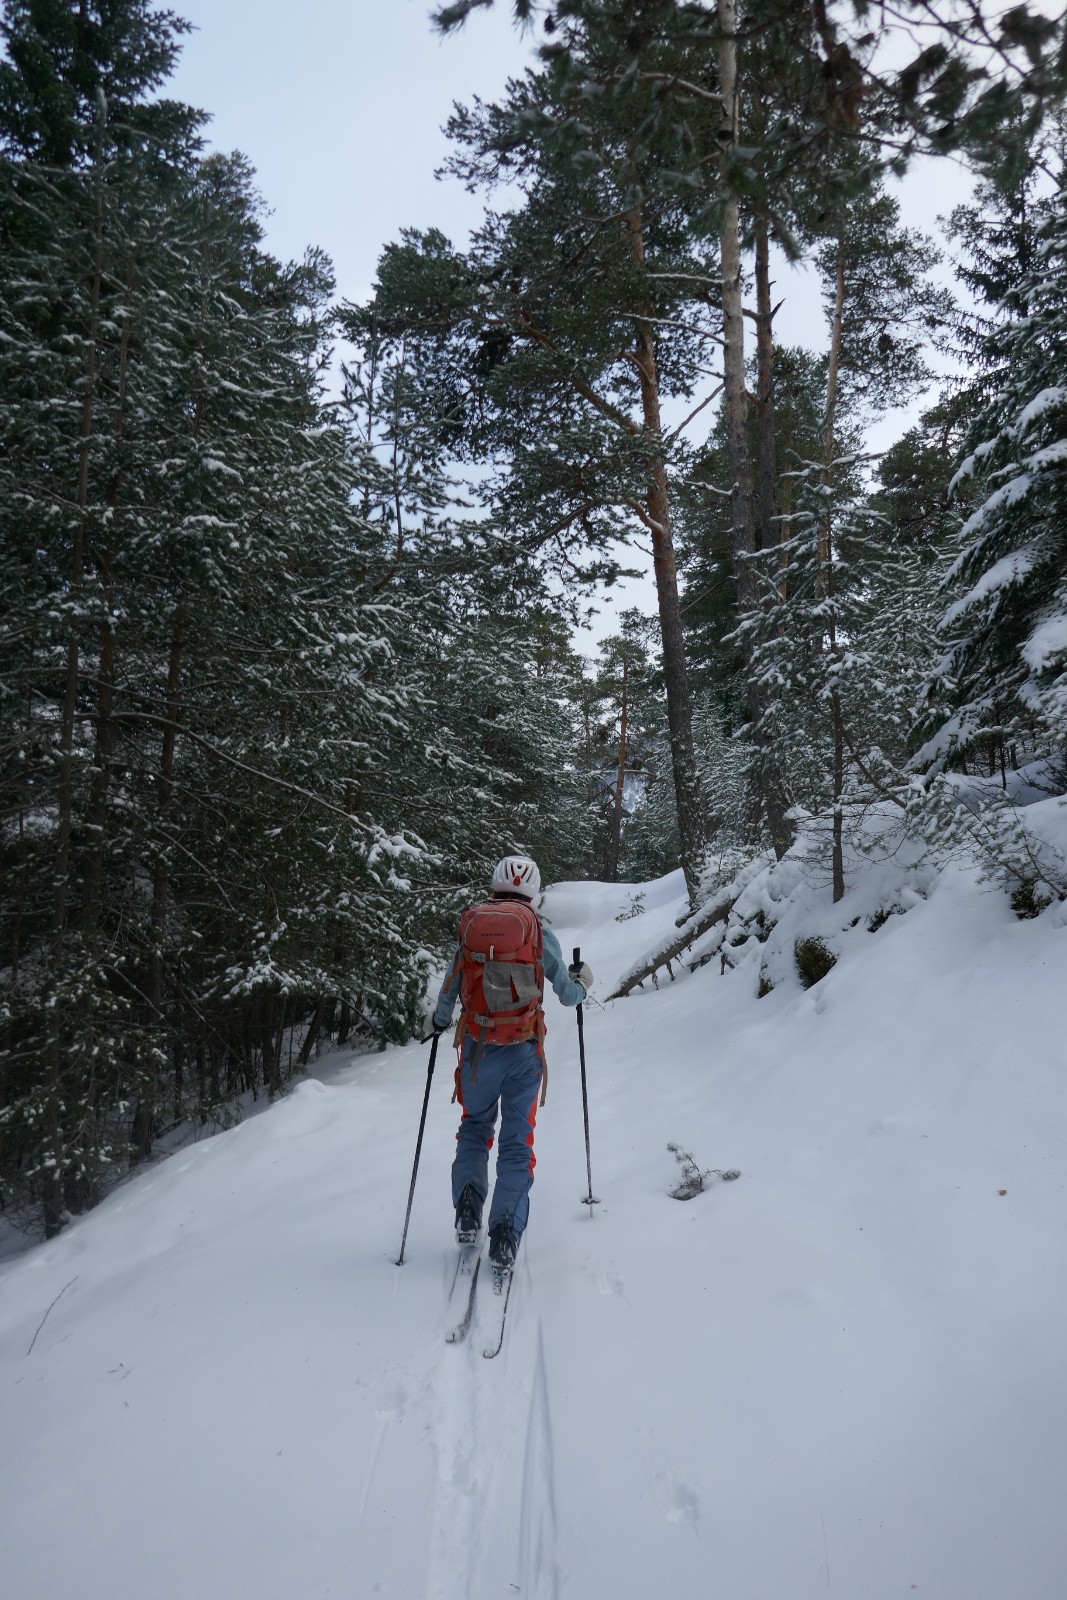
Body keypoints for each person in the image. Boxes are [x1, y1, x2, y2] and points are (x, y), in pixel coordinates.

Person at [430, 855, 593, 1273]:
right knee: (517, 1143)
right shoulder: (539, 932)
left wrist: (439, 1020)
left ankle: (468, 1208)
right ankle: (504, 1233)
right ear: (533, 891)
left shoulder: (472, 926)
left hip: (477, 1050)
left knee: (474, 1128)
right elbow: (568, 995)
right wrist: (583, 981)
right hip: (523, 1051)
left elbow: (450, 986)